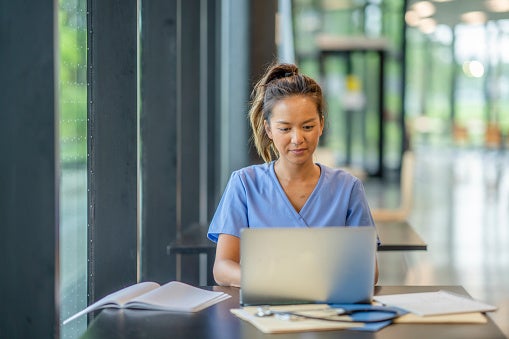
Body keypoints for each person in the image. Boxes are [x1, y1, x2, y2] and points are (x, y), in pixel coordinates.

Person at [207, 62, 378, 287]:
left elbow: (368, 272)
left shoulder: (348, 188)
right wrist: (271, 281)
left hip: (329, 311)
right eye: (285, 129)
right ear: (268, 129)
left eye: (307, 127)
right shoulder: (244, 184)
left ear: (321, 125)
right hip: (264, 310)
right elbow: (222, 268)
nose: (297, 139)